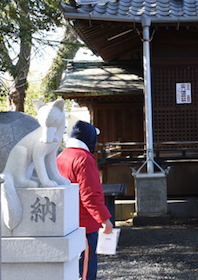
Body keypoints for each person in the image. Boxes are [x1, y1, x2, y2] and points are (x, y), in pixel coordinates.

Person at [57, 120, 113, 280]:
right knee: (85, 272)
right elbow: (90, 195)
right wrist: (104, 219)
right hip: (85, 225)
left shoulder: (62, 156)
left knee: (71, 271)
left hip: (67, 223)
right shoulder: (84, 159)